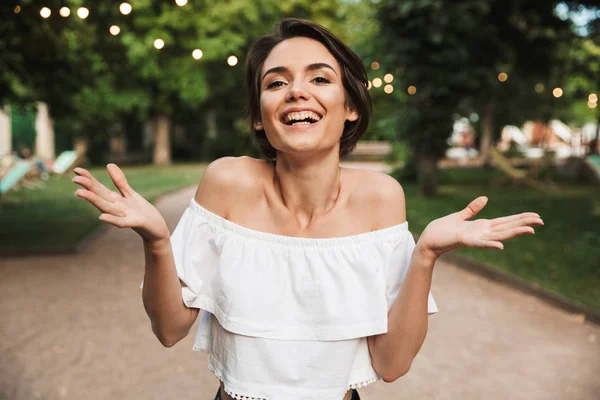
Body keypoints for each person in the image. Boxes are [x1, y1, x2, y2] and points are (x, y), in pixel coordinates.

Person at [72, 18, 544, 400]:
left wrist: (424, 256)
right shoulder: (226, 182)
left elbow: (392, 365)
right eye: (276, 83)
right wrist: (157, 242)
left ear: (351, 106)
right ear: (260, 114)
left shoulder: (382, 197)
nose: (297, 91)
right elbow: (171, 329)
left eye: (320, 78)